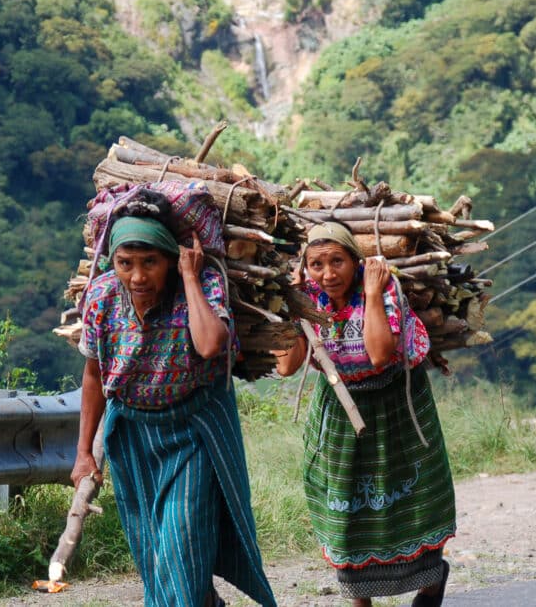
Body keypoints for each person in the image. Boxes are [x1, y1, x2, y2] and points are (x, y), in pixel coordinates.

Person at [71, 191, 277, 607]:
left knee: (182, 540)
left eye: (150, 263)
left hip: (192, 433)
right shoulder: (102, 296)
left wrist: (188, 277)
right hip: (132, 438)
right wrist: (83, 453)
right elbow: (94, 374)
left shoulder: (202, 285)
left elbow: (209, 343)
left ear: (170, 257)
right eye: (125, 263)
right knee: (154, 553)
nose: (138, 277)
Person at [274, 222, 456, 607]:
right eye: (317, 264)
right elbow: (288, 366)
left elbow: (378, 354)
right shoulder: (305, 296)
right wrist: (292, 305)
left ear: (355, 262)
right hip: (341, 409)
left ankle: (430, 582)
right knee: (346, 505)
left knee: (410, 496)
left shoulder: (382, 287)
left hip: (396, 409)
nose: (327, 274)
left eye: (337, 261)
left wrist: (372, 292)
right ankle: (359, 598)